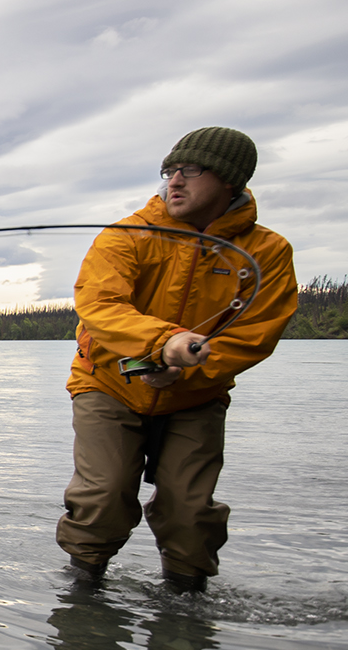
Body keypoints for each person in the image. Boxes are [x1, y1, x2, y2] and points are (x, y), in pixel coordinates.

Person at [57, 127, 297, 591]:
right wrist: (162, 343)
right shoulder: (126, 235)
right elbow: (100, 306)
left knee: (190, 515)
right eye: (169, 172)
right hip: (107, 384)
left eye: (190, 170)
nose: (174, 182)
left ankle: (186, 610)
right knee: (102, 499)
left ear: (230, 180)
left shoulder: (268, 252)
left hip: (197, 395)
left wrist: (192, 367)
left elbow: (256, 334)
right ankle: (82, 598)